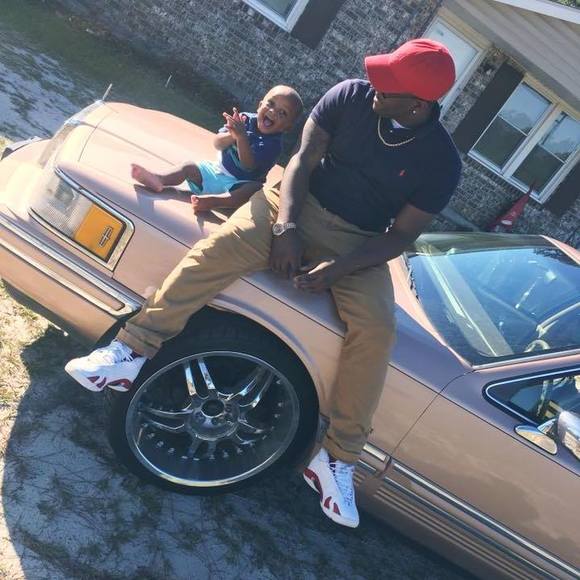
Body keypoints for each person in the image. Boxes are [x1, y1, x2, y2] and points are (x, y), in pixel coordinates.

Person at [65, 39, 461, 529]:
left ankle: (337, 459)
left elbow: (400, 235)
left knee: (377, 330)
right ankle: (130, 351)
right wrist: (286, 227)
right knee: (215, 252)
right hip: (291, 203)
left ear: (418, 105)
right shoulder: (350, 95)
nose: (374, 84)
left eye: (389, 84)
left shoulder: (442, 163)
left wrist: (338, 269)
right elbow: (301, 161)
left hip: (359, 242)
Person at [131, 85, 303, 213]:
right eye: (270, 104)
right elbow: (217, 144)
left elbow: (248, 165)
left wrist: (241, 137)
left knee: (253, 189)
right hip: (215, 171)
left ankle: (214, 201)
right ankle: (159, 179)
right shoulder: (243, 120)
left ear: (287, 127)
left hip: (238, 185)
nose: (273, 112)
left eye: (282, 113)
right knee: (188, 167)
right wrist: (232, 135)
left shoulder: (273, 145)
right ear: (259, 105)